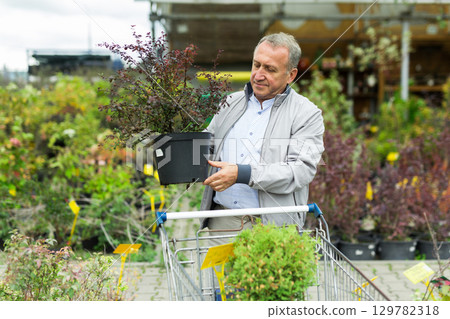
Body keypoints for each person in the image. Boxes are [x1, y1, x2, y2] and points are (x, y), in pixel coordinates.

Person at [200, 32, 324, 243]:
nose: (258, 74)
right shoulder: (230, 102)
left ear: (291, 75)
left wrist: (242, 173)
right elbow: (207, 144)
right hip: (222, 224)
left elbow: (299, 170)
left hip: (273, 229)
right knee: (220, 278)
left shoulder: (306, 114)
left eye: (270, 69)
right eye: (256, 65)